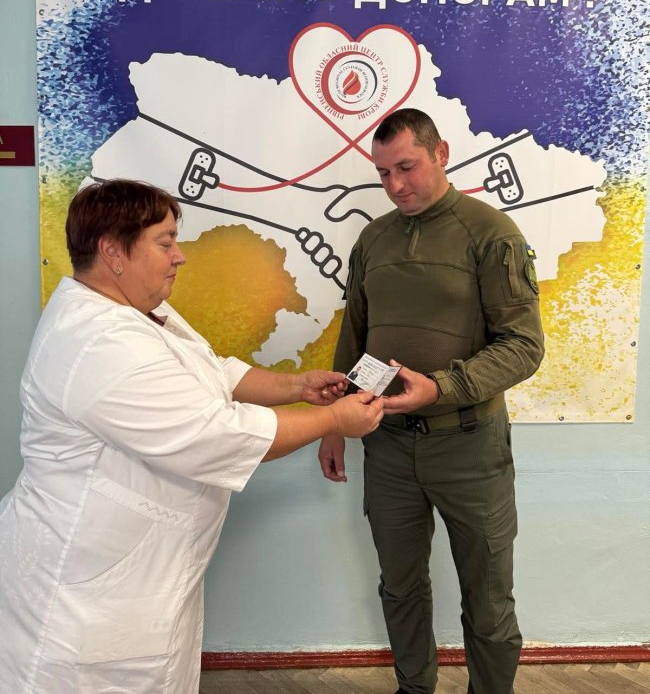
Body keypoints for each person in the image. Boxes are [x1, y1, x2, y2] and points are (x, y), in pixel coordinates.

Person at [0, 179, 384, 694]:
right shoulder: (99, 342)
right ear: (112, 251)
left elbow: (211, 371)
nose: (179, 256)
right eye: (165, 243)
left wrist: (297, 386)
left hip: (134, 584)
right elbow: (216, 435)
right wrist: (334, 421)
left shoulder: (135, 310)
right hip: (83, 595)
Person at [318, 108, 544, 694]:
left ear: (441, 153)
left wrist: (441, 387)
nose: (395, 185)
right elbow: (355, 337)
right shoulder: (373, 239)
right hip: (388, 448)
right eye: (383, 173)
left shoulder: (491, 233)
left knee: (488, 601)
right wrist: (333, 422)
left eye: (407, 167)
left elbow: (523, 346)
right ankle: (413, 688)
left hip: (470, 449)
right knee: (400, 588)